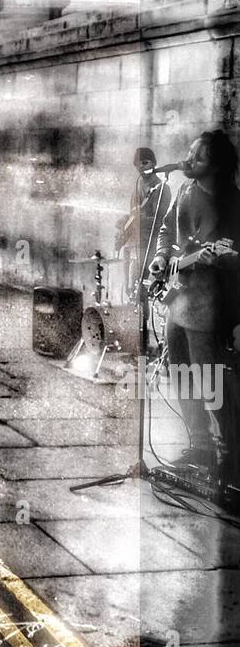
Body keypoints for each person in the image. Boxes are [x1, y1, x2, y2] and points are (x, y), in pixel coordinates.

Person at [149, 129, 240, 467]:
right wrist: (161, 258)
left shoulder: (232, 203)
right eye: (190, 153)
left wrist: (222, 259)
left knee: (211, 379)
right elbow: (166, 232)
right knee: (181, 373)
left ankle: (230, 452)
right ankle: (199, 445)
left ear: (215, 166)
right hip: (179, 299)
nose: (189, 160)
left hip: (208, 307)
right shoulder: (185, 190)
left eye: (198, 157)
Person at [115, 147, 172, 299]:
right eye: (137, 164)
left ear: (154, 164)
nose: (141, 167)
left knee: (140, 289)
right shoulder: (137, 187)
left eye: (145, 162)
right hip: (131, 244)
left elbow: (162, 222)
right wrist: (124, 222)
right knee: (128, 288)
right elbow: (134, 214)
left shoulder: (162, 189)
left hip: (148, 245)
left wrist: (141, 220)